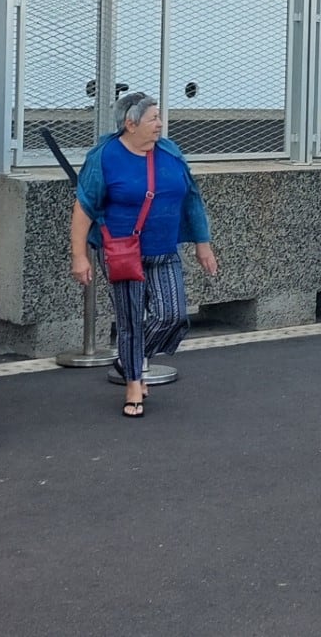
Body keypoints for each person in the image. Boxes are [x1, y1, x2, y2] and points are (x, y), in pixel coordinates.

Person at [69, 92, 217, 418]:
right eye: (153, 119)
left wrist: (202, 243)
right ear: (130, 123)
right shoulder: (105, 156)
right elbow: (84, 208)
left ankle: (128, 359)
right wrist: (79, 256)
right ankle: (134, 383)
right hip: (123, 252)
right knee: (131, 321)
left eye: (159, 117)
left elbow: (191, 196)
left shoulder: (170, 152)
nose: (160, 125)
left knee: (173, 316)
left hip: (164, 250)